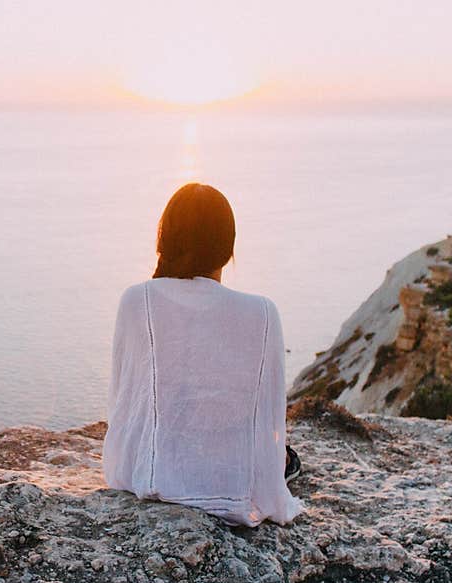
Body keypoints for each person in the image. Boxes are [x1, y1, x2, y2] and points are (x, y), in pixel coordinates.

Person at [102, 183, 303, 526]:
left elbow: (124, 404)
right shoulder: (263, 312)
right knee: (283, 457)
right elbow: (269, 412)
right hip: (231, 478)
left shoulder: (136, 300)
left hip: (151, 474)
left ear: (164, 239)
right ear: (227, 248)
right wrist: (273, 461)